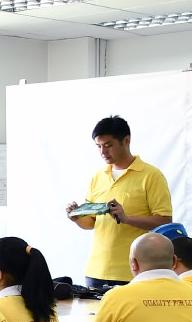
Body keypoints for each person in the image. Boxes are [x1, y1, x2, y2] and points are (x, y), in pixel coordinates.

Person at [65, 116, 172, 290]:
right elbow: (91, 223)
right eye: (98, 146)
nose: (103, 152)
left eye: (108, 145)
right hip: (96, 271)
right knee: (96, 318)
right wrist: (77, 217)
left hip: (134, 271)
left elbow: (165, 221)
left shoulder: (151, 175)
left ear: (126, 141)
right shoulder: (97, 177)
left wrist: (127, 218)